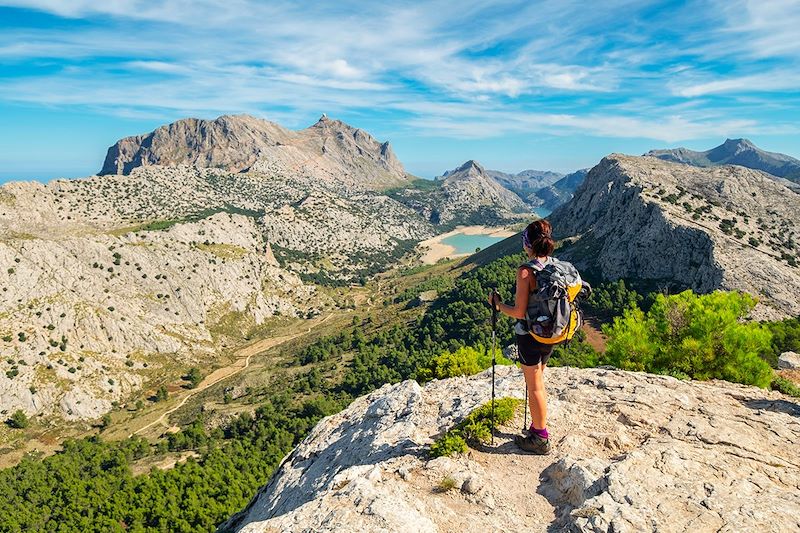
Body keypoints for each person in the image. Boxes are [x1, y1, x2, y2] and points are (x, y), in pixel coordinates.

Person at [487, 219, 555, 455]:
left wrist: (498, 305)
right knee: (539, 382)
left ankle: (540, 437)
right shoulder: (555, 266)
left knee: (534, 386)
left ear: (528, 243)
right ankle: (537, 424)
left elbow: (518, 311)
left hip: (530, 335)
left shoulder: (526, 271)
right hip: (551, 334)